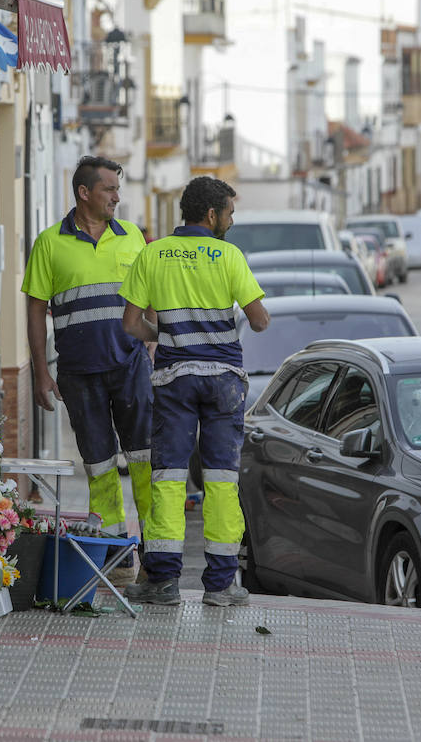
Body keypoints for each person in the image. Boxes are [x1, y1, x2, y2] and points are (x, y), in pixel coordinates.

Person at [119, 176, 269, 607]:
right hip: (223, 382)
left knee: (168, 477)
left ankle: (162, 581)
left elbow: (131, 325)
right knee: (222, 479)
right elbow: (259, 321)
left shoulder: (153, 253)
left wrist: (163, 335)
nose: (232, 220)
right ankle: (221, 586)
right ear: (211, 214)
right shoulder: (228, 256)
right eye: (230, 212)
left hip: (174, 379)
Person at [22, 156, 153, 541]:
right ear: (84, 192)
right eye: (109, 189)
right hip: (79, 373)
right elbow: (34, 312)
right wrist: (41, 374)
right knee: (98, 464)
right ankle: (112, 554)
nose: (117, 196)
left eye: (117, 188)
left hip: (131, 365)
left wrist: (157, 346)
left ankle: (155, 555)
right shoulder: (49, 243)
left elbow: (149, 302)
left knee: (145, 460)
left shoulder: (132, 236)